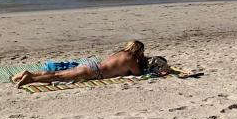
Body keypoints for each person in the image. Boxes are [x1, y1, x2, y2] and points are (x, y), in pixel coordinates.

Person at [10, 41, 169, 88]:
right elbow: (138, 75)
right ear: (139, 51)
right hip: (94, 72)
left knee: (60, 74)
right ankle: (30, 79)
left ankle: (29, 73)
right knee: (59, 76)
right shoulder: (131, 60)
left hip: (91, 65)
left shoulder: (120, 53)